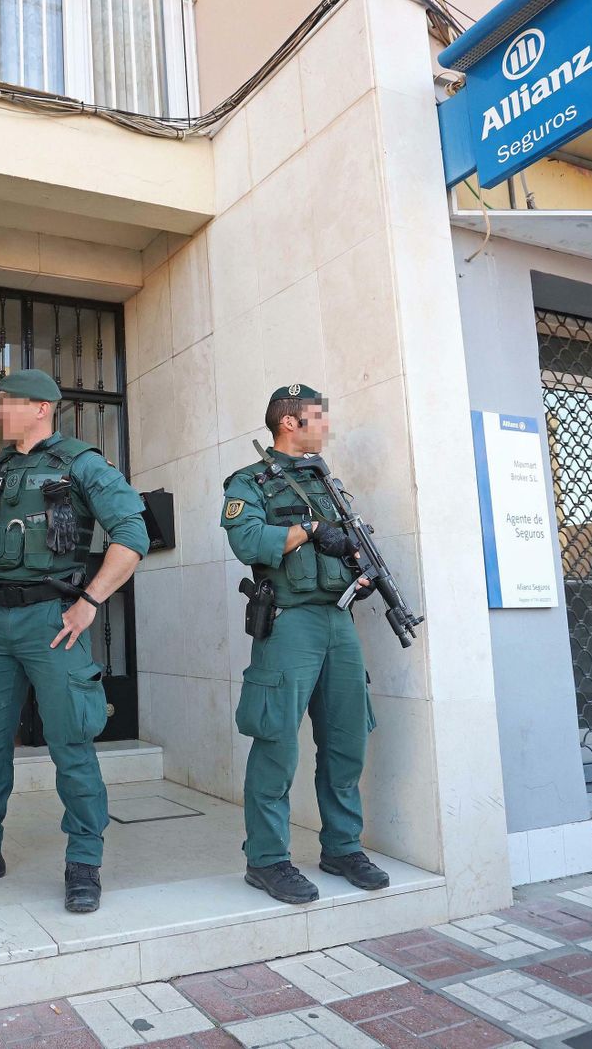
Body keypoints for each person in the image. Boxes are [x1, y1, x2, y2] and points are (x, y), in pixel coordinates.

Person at [0, 369, 149, 914]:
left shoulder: (82, 463)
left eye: (7, 402)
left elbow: (132, 534)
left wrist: (91, 601)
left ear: (40, 408)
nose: (0, 410)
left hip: (51, 620)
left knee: (70, 742)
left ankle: (84, 860)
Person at [220, 384, 389, 904]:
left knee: (346, 739)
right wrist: (311, 528)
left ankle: (342, 846)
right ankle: (267, 859)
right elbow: (248, 541)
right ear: (289, 422)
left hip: (338, 621)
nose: (326, 425)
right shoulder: (249, 482)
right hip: (289, 623)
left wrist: (357, 574)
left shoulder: (326, 481)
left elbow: (345, 548)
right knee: (277, 741)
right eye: (318, 417)